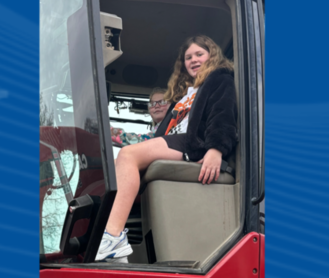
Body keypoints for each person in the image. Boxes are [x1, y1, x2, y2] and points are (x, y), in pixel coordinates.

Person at [95, 37, 237, 263]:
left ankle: (112, 239)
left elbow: (223, 114)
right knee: (117, 164)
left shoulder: (219, 78)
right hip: (178, 141)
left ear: (212, 55)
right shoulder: (188, 93)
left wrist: (215, 149)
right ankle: (108, 235)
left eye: (199, 54)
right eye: (188, 57)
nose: (193, 60)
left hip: (193, 144)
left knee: (128, 154)